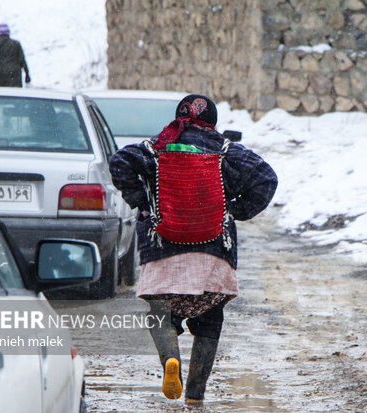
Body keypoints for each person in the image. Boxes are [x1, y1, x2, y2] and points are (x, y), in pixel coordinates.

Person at [109, 94, 277, 402]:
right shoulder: (225, 151)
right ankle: (196, 395)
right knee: (209, 323)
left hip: (163, 252)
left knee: (162, 315)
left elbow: (119, 161)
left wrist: (143, 202)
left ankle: (170, 358)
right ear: (212, 121)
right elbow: (266, 178)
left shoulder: (156, 147)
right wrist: (236, 210)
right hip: (213, 253)